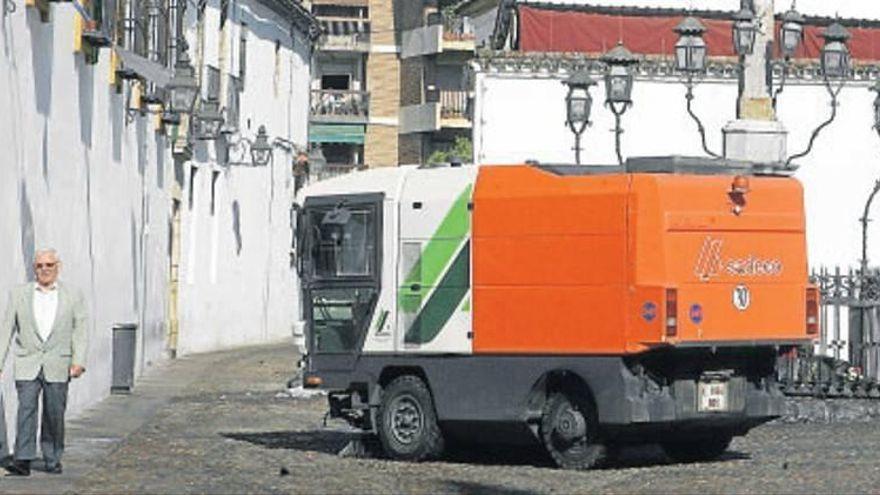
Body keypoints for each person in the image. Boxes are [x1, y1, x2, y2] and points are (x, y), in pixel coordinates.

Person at [0, 249, 89, 476]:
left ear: (58, 266)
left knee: (54, 413)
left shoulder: (72, 294)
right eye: (40, 266)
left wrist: (78, 360)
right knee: (26, 411)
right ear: (34, 269)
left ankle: (52, 457)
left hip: (58, 362)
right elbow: (6, 329)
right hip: (27, 362)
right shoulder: (20, 294)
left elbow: (81, 329)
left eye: (49, 265)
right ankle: (23, 459)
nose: (45, 270)